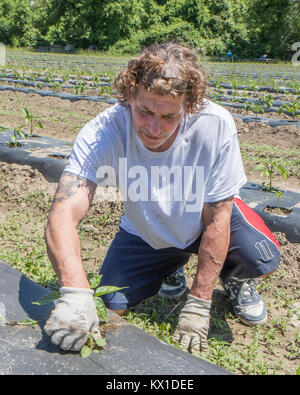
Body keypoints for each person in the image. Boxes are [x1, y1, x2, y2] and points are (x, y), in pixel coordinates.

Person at [44, 42, 280, 354]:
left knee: (259, 255)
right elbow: (63, 212)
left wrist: (198, 304)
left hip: (203, 218)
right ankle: (171, 265)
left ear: (190, 105)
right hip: (146, 232)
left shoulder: (215, 125)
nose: (154, 128)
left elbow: (218, 218)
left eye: (168, 116)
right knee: (109, 303)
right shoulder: (104, 129)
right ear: (130, 96)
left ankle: (233, 278)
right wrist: (75, 289)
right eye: (145, 111)